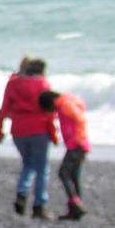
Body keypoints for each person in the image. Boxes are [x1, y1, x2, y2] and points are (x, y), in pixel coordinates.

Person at [0, 57, 57, 218]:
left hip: (19, 129)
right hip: (39, 128)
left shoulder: (13, 83)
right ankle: (39, 204)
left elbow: (4, 107)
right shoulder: (43, 84)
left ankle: (22, 192)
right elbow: (49, 111)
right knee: (42, 167)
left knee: (28, 164)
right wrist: (54, 133)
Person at [40, 89, 91, 220]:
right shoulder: (66, 103)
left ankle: (76, 204)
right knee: (74, 176)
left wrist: (77, 140)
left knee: (64, 173)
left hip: (77, 144)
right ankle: (75, 209)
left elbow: (80, 120)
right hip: (80, 144)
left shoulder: (65, 105)